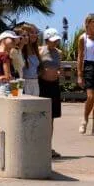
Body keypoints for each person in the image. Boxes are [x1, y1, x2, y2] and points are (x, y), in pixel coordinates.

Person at [39, 28, 64, 158]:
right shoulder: (40, 51)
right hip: (43, 86)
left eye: (56, 40)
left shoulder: (58, 53)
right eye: (53, 40)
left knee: (52, 118)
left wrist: (58, 72)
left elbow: (59, 67)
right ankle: (39, 146)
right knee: (42, 117)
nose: (55, 43)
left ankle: (48, 146)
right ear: (46, 40)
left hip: (54, 86)